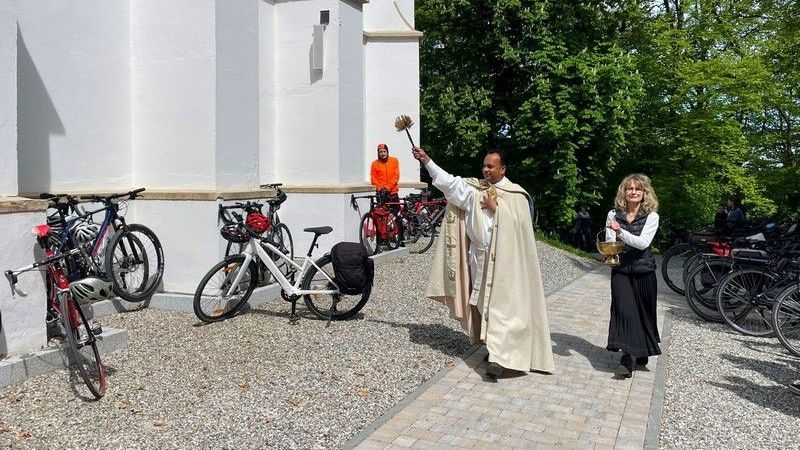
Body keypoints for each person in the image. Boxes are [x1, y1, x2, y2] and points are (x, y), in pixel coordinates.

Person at [412, 146, 555, 380]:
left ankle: (498, 360)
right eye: (484, 165)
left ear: (503, 169)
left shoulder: (516, 195)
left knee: (502, 309)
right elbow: (449, 183)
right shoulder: (475, 190)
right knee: (483, 305)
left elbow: (521, 229)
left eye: (491, 166)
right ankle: (493, 349)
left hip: (507, 262)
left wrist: (497, 210)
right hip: (479, 258)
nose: (486, 170)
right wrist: (427, 161)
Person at [605, 174, 661, 378]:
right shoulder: (613, 214)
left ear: (645, 193)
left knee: (644, 314)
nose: (634, 192)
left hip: (643, 271)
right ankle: (627, 358)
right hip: (621, 270)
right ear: (624, 192)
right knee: (624, 311)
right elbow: (610, 240)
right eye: (630, 188)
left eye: (638, 189)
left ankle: (642, 349)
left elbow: (643, 243)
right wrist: (609, 250)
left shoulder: (652, 216)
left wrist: (620, 231)